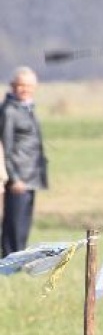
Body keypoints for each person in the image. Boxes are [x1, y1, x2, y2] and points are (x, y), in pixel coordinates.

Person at [1, 67, 48, 257]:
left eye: (28, 86)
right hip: (18, 178)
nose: (24, 89)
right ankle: (10, 261)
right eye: (20, 85)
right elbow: (6, 147)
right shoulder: (9, 112)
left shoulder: (28, 108)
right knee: (14, 222)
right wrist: (14, 178)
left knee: (24, 223)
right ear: (13, 86)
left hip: (31, 175)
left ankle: (18, 259)